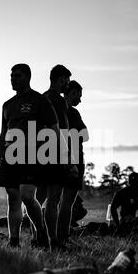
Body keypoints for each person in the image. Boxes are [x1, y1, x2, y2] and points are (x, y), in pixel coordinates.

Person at [0, 63, 58, 248]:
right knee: (13, 197)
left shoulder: (40, 101)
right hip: (10, 154)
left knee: (27, 196)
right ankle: (13, 240)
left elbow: (54, 130)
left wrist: (55, 155)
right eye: (12, 75)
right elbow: (2, 133)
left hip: (32, 154)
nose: (13, 78)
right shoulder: (7, 105)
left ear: (27, 77)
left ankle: (41, 230)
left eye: (17, 75)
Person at [36, 64, 76, 247]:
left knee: (38, 198)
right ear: (60, 79)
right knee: (53, 199)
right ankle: (53, 240)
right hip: (55, 154)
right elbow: (63, 131)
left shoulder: (40, 98)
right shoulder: (59, 101)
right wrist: (69, 159)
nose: (67, 84)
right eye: (66, 81)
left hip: (37, 154)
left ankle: (38, 237)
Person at [56, 80, 89, 241]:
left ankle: (52, 234)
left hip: (55, 158)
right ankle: (63, 235)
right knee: (67, 202)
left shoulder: (54, 109)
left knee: (54, 200)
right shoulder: (73, 113)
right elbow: (85, 135)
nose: (80, 100)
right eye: (79, 96)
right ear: (73, 93)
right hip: (74, 159)